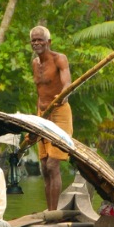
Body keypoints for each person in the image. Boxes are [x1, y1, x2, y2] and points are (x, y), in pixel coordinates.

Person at [30, 25, 72, 211]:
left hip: (60, 113)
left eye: (40, 40)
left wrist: (62, 96)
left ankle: (54, 213)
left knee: (53, 164)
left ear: (49, 42)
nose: (37, 43)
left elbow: (67, 83)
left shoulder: (59, 59)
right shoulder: (34, 63)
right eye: (34, 40)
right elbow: (40, 93)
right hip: (42, 116)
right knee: (44, 166)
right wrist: (36, 117)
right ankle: (50, 211)